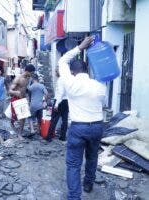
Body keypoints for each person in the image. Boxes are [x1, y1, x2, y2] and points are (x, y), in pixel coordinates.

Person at [58, 36, 106, 200]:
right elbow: (102, 101)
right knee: (92, 157)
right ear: (86, 71)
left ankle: (74, 197)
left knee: (73, 164)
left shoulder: (70, 83)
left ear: (73, 72)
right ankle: (88, 184)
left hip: (79, 128)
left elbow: (62, 61)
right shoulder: (100, 85)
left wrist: (80, 48)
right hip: (97, 126)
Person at [9, 64, 36, 139]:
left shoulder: (28, 78)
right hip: (16, 98)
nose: (32, 74)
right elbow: (10, 91)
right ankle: (11, 122)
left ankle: (19, 134)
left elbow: (24, 88)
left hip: (23, 99)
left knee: (23, 117)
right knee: (15, 117)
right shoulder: (18, 78)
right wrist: (15, 92)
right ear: (27, 71)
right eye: (31, 73)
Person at [46, 68, 69, 142]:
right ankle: (63, 137)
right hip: (66, 101)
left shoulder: (60, 80)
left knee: (54, 120)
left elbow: (60, 93)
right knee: (64, 120)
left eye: (56, 71)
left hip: (59, 101)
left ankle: (49, 137)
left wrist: (56, 104)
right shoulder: (67, 79)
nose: (55, 72)